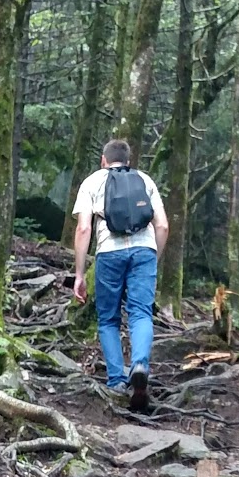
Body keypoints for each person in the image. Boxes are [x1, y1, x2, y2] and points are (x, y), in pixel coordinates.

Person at [72, 138, 168, 411]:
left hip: (109, 252)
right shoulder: (145, 180)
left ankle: (116, 380)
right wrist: (153, 258)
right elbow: (162, 225)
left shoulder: (91, 182)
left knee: (108, 319)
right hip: (144, 251)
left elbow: (83, 230)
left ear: (103, 160)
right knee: (140, 312)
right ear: (129, 160)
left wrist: (79, 274)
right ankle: (139, 364)